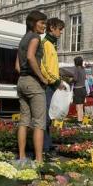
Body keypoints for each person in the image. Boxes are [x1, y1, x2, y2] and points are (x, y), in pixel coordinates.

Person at [15, 10, 48, 163]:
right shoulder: (35, 38)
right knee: (39, 123)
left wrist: (25, 75)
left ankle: (21, 157)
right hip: (33, 82)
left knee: (24, 120)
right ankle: (39, 160)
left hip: (21, 81)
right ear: (33, 23)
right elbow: (30, 57)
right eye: (42, 23)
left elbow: (17, 66)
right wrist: (41, 78)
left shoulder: (23, 39)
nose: (44, 26)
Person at [40, 18, 66, 152]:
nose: (61, 33)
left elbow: (51, 66)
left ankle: (48, 144)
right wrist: (55, 81)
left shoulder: (51, 44)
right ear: (52, 28)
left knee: (50, 116)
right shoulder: (45, 43)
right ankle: (44, 148)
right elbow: (43, 66)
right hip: (48, 85)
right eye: (59, 29)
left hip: (52, 84)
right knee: (45, 117)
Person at [71, 56, 87, 123]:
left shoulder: (77, 69)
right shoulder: (83, 69)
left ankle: (79, 120)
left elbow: (75, 79)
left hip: (78, 89)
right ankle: (81, 119)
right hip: (83, 89)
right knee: (81, 105)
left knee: (78, 106)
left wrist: (70, 80)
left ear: (76, 62)